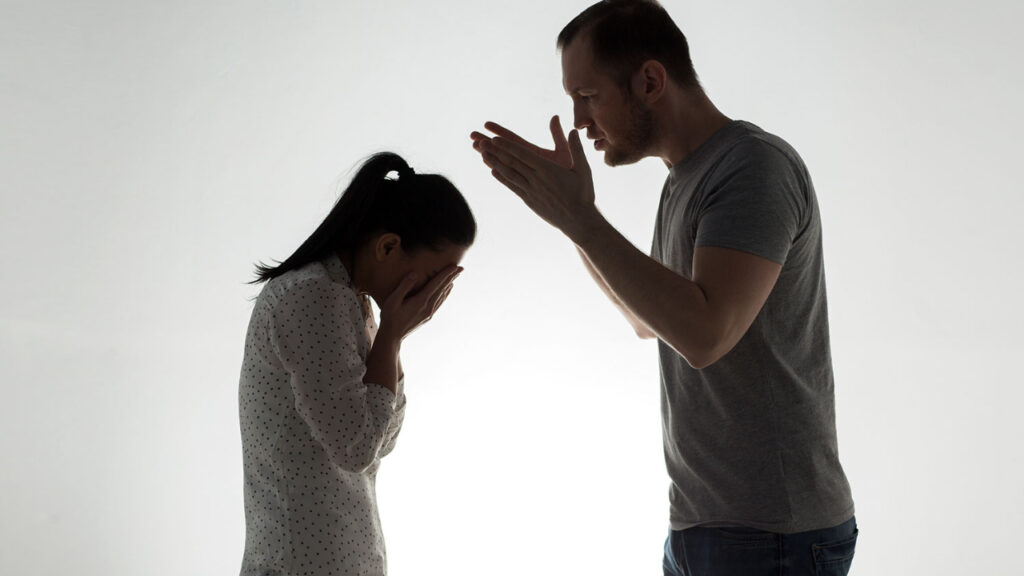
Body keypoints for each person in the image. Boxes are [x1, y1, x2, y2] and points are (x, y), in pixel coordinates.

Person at [470, 1, 856, 574]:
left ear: (650, 81)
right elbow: (649, 322)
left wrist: (581, 221)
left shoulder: (753, 168)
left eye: (587, 96)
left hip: (773, 535)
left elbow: (704, 335)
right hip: (703, 527)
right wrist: (571, 220)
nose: (578, 119)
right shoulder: (685, 181)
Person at [238, 152, 475, 576]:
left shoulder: (352, 301)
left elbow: (383, 440)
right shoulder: (312, 297)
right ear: (388, 246)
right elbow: (356, 448)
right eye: (434, 277)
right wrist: (391, 336)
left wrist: (391, 338)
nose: (433, 296)